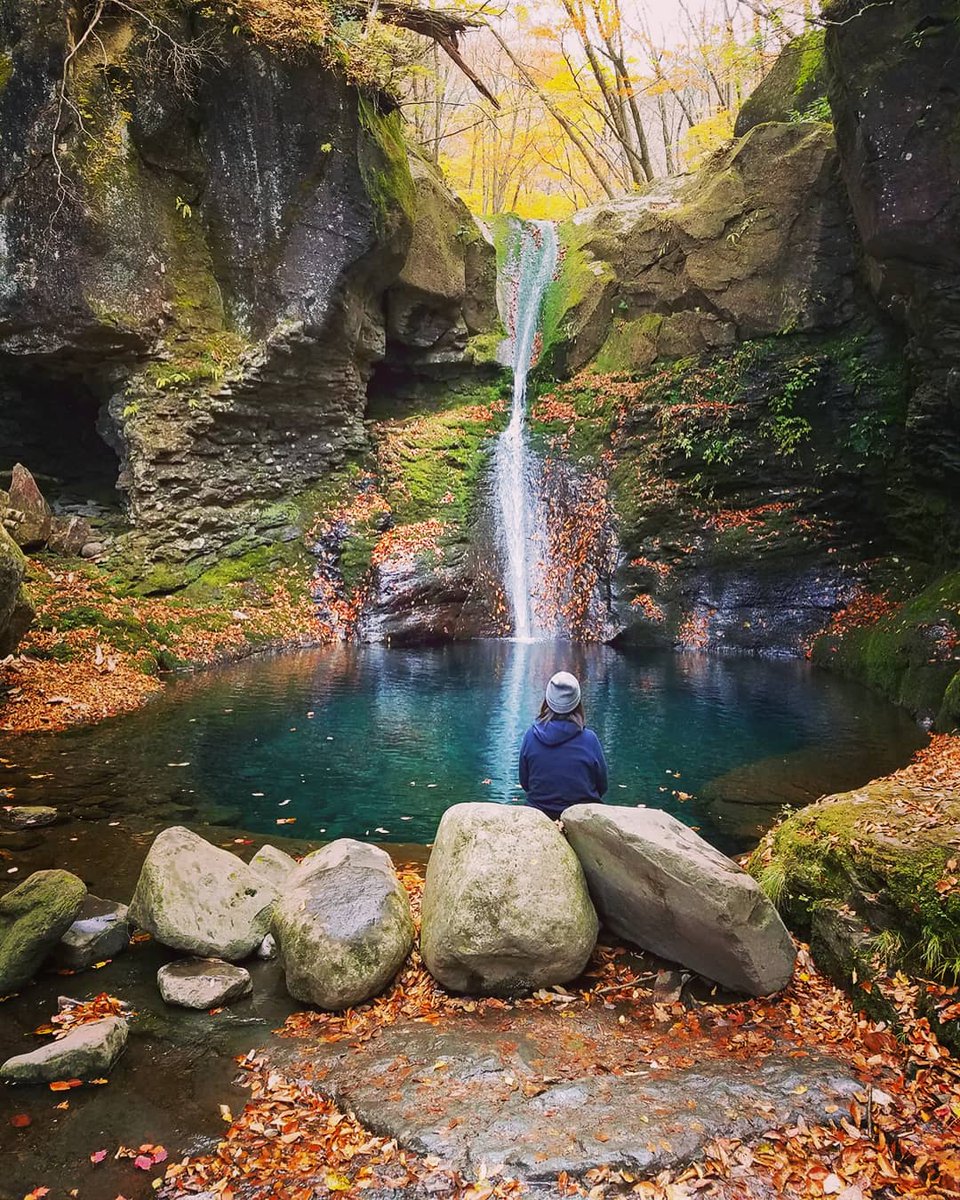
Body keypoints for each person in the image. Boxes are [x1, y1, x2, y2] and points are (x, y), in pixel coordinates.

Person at [518, 671, 608, 819]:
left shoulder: (530, 736)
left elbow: (525, 782)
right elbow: (602, 786)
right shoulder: (590, 740)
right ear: (578, 702)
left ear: (547, 700)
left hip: (540, 816)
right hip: (581, 819)